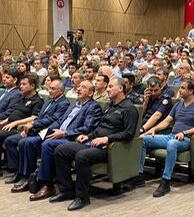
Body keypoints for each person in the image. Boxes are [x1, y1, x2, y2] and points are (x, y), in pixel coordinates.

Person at [51, 77, 139, 210]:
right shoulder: (108, 106)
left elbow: (129, 134)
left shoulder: (129, 108)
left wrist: (107, 139)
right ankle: (66, 190)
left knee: (81, 156)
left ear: (120, 88)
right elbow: (99, 127)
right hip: (94, 141)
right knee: (61, 150)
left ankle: (82, 197)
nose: (107, 89)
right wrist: (88, 136)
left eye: (110, 86)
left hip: (109, 148)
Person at [27, 81, 103, 199]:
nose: (78, 89)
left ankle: (47, 185)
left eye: (83, 87)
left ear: (91, 93)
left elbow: (88, 127)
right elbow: (60, 121)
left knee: (47, 145)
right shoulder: (74, 104)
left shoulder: (94, 107)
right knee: (30, 140)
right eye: (79, 86)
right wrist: (47, 130)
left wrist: (65, 133)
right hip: (58, 132)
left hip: (71, 138)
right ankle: (29, 177)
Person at [137, 79, 194, 197]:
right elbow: (167, 122)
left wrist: (184, 133)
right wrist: (153, 130)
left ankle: (166, 181)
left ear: (191, 91)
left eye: (183, 88)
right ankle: (139, 175)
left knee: (172, 144)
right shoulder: (178, 104)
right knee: (143, 139)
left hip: (186, 139)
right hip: (171, 136)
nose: (179, 90)